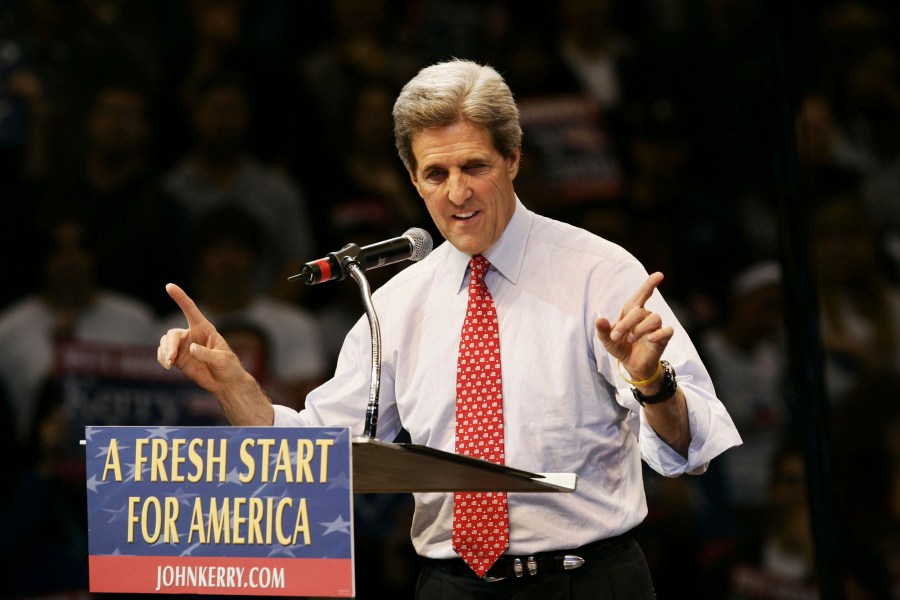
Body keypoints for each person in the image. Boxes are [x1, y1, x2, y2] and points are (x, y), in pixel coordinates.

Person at [157, 58, 741, 598]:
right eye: (435, 173)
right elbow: (315, 455)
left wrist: (651, 382)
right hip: (451, 586)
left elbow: (692, 448)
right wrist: (234, 384)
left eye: (474, 167)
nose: (456, 193)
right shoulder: (398, 303)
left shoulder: (599, 272)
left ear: (513, 158)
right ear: (412, 178)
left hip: (586, 580)